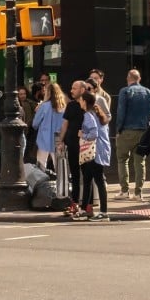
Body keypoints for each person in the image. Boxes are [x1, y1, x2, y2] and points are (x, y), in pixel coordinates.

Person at [114, 69, 150, 200]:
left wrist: (118, 129)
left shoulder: (125, 91)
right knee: (140, 162)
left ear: (128, 78)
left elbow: (121, 112)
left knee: (122, 160)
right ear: (139, 78)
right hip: (143, 130)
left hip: (127, 130)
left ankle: (125, 190)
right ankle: (138, 192)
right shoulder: (148, 92)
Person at [72, 91, 111, 221]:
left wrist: (82, 135)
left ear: (85, 102)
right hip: (100, 151)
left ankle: (104, 212)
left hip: (93, 152)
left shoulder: (88, 115)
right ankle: (84, 210)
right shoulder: (98, 114)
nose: (79, 102)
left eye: (81, 100)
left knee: (97, 180)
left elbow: (93, 134)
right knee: (89, 179)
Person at [56, 80, 87, 216]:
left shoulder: (88, 106)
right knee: (74, 175)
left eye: (75, 88)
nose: (71, 90)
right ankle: (74, 203)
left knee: (87, 175)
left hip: (86, 145)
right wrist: (61, 141)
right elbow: (65, 124)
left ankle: (86, 205)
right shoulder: (71, 105)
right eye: (72, 88)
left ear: (82, 90)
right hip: (72, 143)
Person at [32, 82, 66, 171]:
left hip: (44, 138)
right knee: (59, 165)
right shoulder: (63, 107)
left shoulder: (43, 106)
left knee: (41, 164)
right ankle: (61, 184)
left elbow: (35, 124)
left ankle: (42, 184)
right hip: (59, 137)